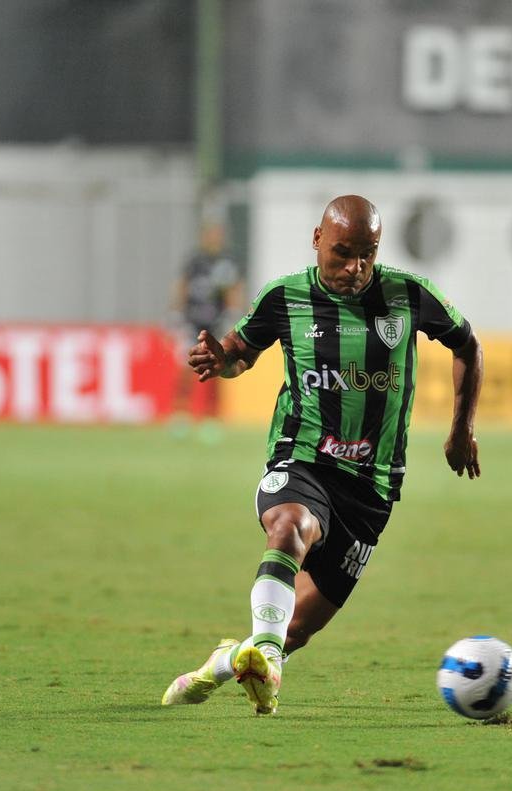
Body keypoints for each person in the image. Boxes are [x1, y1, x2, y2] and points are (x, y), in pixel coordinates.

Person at [161, 194, 484, 715]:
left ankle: (227, 663)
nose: (355, 267)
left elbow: (468, 346)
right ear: (317, 239)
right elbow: (239, 354)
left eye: (368, 253)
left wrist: (460, 427)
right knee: (290, 525)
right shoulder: (284, 298)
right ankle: (264, 652)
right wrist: (221, 361)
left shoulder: (408, 295)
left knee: (296, 629)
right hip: (304, 458)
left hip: (372, 487)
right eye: (342, 252)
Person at [170, 221, 244, 430]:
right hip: (192, 321)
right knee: (185, 368)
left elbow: (234, 288)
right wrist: (176, 313)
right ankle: (180, 415)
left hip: (215, 322)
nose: (215, 239)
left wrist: (233, 313)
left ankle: (211, 417)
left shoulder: (227, 262)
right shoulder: (194, 260)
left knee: (216, 368)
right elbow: (182, 285)